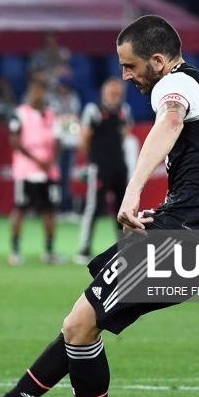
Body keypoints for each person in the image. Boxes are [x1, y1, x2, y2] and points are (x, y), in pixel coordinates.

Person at [0, 15, 199, 397]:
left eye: (130, 66)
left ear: (158, 60)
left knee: (80, 324)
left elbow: (169, 123)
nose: (125, 76)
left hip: (175, 241)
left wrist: (133, 192)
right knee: (81, 322)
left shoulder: (179, 89)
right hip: (184, 241)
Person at [74, 77, 133, 263]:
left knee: (121, 209)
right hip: (98, 167)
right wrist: (93, 160)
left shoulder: (124, 111)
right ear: (104, 93)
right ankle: (84, 249)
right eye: (112, 92)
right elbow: (84, 140)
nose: (115, 96)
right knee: (93, 207)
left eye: (118, 93)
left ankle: (124, 248)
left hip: (118, 166)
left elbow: (125, 135)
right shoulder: (93, 111)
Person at [8, 78, 61, 266]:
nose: (38, 95)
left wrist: (51, 161)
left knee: (50, 211)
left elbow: (58, 141)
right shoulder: (20, 114)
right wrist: (38, 160)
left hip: (49, 172)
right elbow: (15, 142)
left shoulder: (51, 115)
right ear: (29, 93)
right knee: (20, 209)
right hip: (27, 171)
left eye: (41, 91)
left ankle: (49, 251)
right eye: (34, 91)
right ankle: (15, 251)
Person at [48, 75, 82, 217]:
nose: (62, 88)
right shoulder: (52, 99)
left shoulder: (73, 98)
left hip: (70, 142)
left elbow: (74, 117)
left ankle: (66, 208)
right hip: (57, 142)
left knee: (67, 176)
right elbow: (54, 117)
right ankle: (56, 208)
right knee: (57, 175)